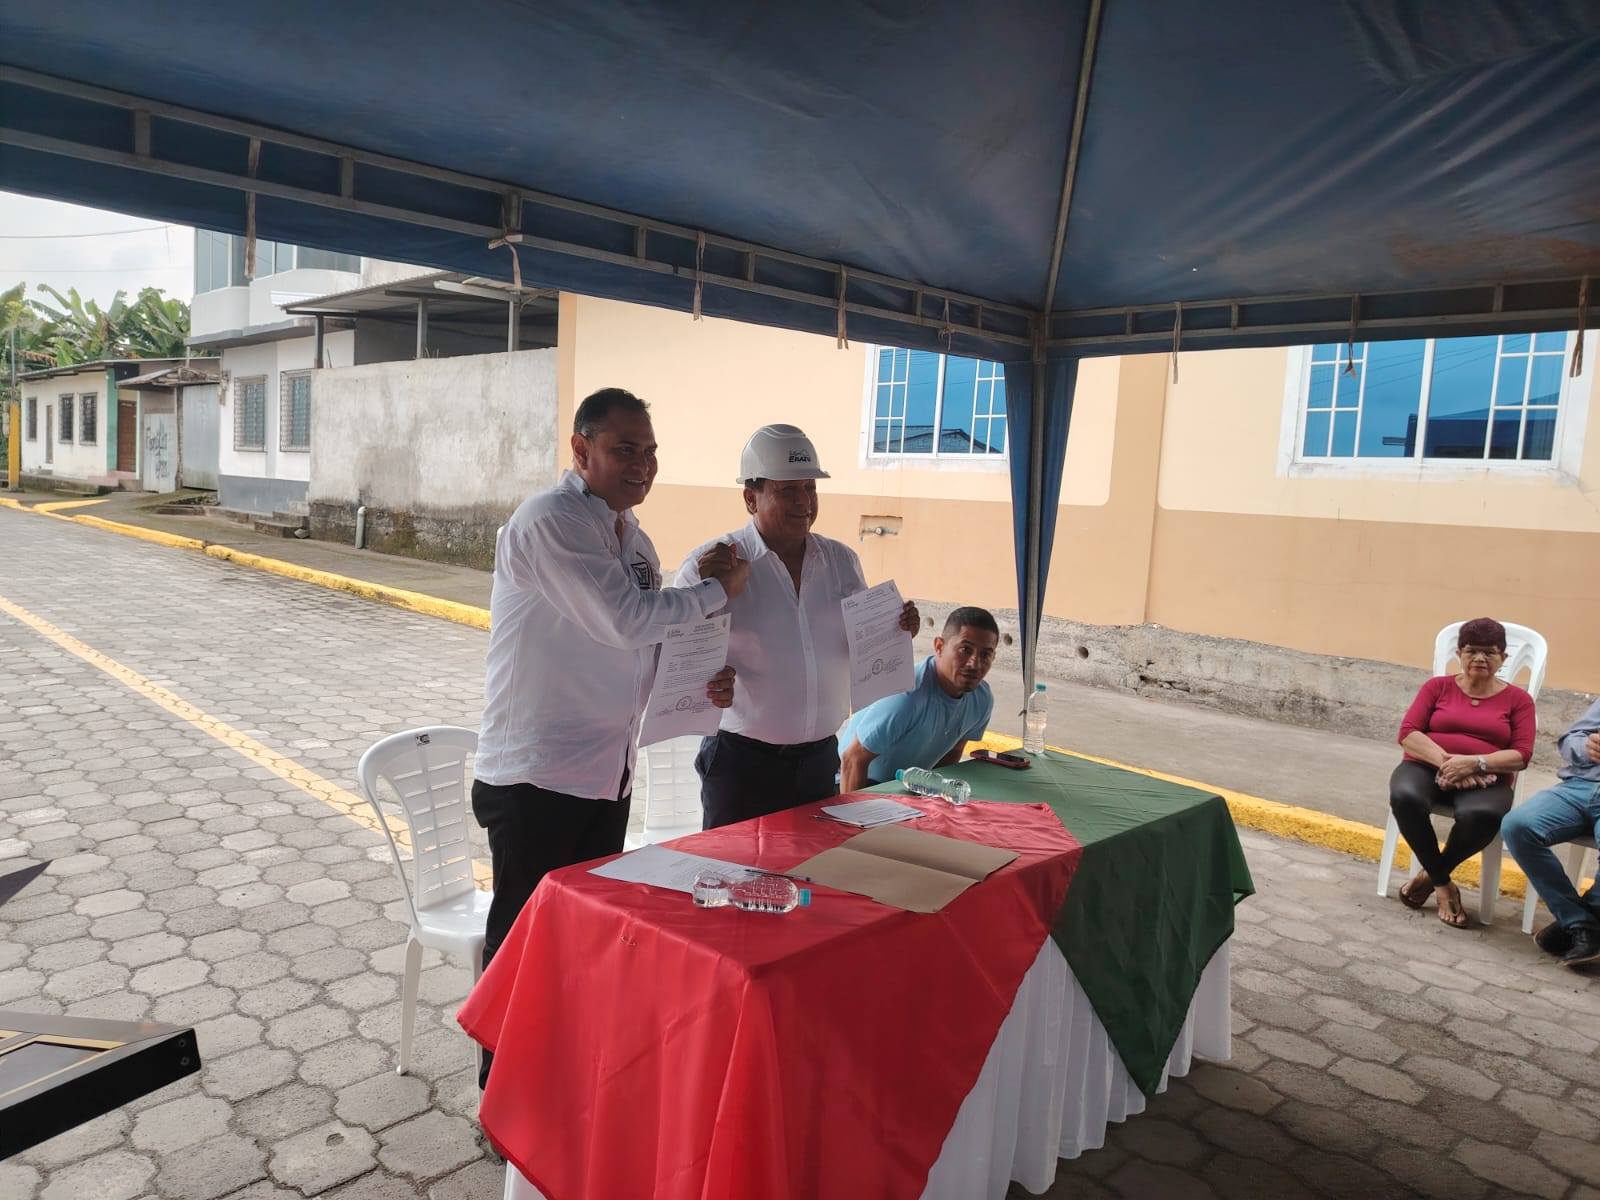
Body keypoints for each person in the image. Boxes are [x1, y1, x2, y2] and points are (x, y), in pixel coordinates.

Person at [472, 387, 748, 1084]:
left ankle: (563, 1082)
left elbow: (645, 644)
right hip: (536, 777)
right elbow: (625, 619)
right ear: (581, 449)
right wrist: (717, 593)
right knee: (524, 945)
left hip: (604, 775)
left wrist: (701, 680)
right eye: (625, 449)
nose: (642, 465)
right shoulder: (551, 520)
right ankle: (501, 1093)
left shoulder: (634, 540)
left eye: (650, 451)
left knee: (582, 942)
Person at [676, 424, 918, 829]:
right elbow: (674, 658)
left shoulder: (842, 561)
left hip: (819, 763)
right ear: (750, 498)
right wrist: (705, 681)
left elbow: (861, 641)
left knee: (813, 867)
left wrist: (896, 629)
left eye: (810, 488)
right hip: (741, 766)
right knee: (733, 867)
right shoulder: (712, 565)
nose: (803, 501)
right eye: (787, 490)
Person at [1389, 617, 1536, 928]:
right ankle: (1444, 885)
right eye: (1471, 651)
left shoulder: (1519, 700)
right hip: (1425, 766)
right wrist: (1449, 763)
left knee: (1483, 815)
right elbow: (1408, 733)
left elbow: (1522, 755)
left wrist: (1476, 763)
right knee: (1405, 797)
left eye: (1489, 652)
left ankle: (1429, 876)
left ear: (1503, 658)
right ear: (1459, 653)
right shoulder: (1437, 687)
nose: (1480, 658)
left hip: (1486, 778)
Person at [838, 607, 999, 791]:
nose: (975, 663)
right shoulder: (908, 694)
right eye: (965, 650)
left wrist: (937, 797)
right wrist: (857, 809)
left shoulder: (982, 699)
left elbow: (953, 751)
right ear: (939, 647)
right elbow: (853, 759)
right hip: (856, 781)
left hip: (910, 786)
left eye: (985, 654)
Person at [1501, 697, 1600, 968]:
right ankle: (1582, 921)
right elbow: (1570, 740)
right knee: (1518, 825)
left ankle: (1580, 924)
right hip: (1578, 786)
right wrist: (1587, 747)